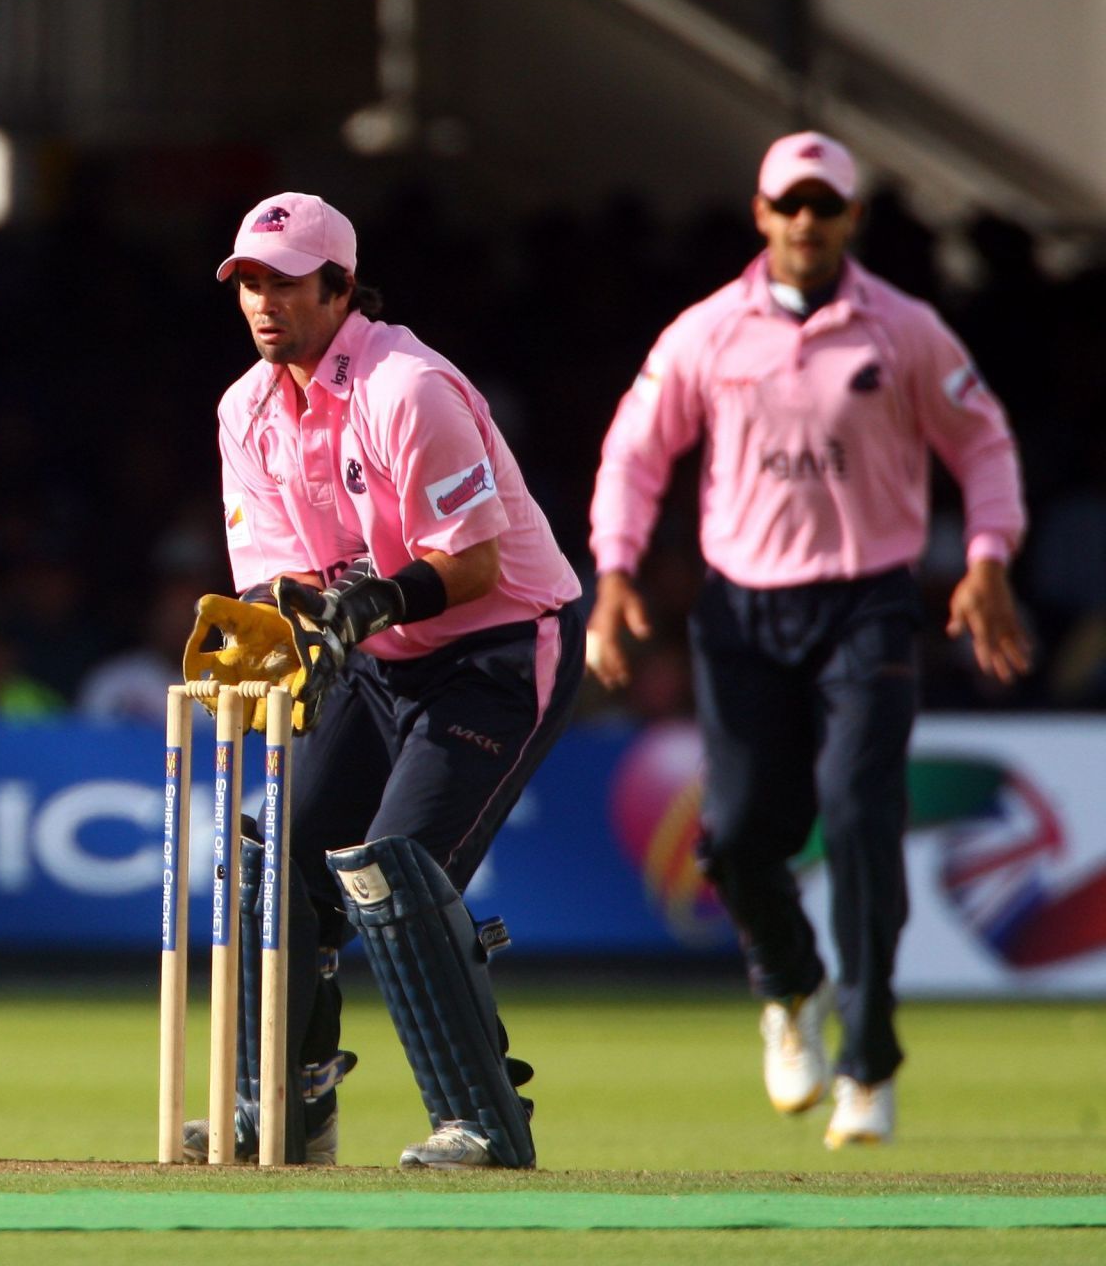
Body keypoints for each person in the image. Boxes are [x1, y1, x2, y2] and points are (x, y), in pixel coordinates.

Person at [586, 132, 1031, 1149]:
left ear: (851, 220)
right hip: (742, 611)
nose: (805, 223)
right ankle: (791, 986)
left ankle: (869, 1065)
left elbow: (985, 441)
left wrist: (991, 554)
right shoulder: (707, 332)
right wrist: (613, 574)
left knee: (858, 815)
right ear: (760, 212)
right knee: (740, 834)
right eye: (789, 204)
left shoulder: (905, 331)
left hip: (866, 603)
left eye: (824, 207)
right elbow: (634, 451)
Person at [190, 193, 585, 1168]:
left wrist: (360, 611)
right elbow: (277, 574)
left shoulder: (408, 387)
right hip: (379, 658)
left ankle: (484, 1120)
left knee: (397, 874)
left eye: (285, 282)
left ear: (338, 286)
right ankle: (279, 1104)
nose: (263, 303)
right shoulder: (245, 408)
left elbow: (476, 565)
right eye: (249, 282)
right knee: (271, 859)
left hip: (496, 647)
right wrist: (303, 643)